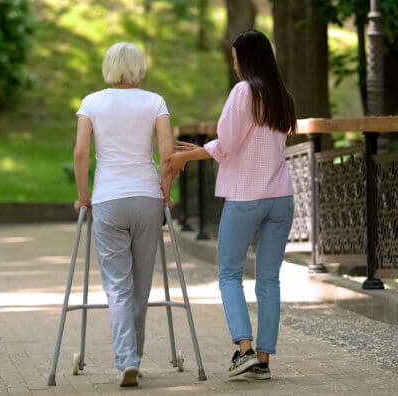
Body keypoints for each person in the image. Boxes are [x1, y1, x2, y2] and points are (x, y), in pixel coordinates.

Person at [167, 29, 296, 380]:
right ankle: (264, 361)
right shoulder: (280, 95)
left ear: (247, 59)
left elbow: (226, 144)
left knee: (229, 274)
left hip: (246, 196)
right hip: (281, 197)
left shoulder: (244, 92)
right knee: (269, 278)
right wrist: (194, 153)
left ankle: (245, 350)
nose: (234, 64)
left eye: (236, 58)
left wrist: (189, 156)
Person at [73, 42, 174, 387]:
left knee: (118, 287)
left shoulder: (91, 102)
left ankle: (126, 360)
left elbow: (81, 152)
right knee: (140, 286)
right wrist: (167, 194)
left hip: (108, 199)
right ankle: (134, 359)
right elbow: (166, 152)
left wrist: (83, 196)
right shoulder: (154, 101)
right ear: (140, 67)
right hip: (147, 198)